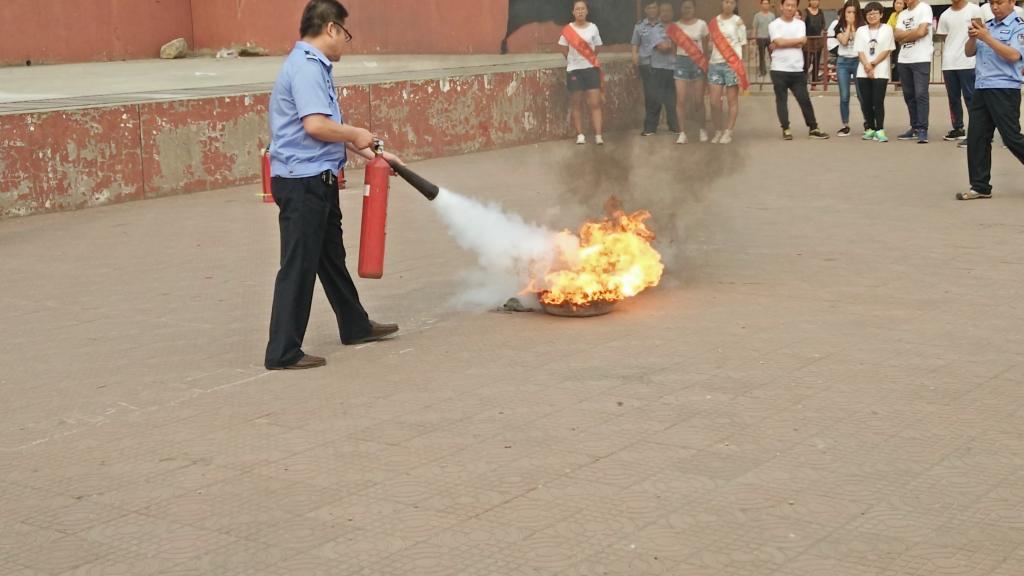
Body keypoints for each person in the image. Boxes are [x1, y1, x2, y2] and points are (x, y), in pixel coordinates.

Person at [265, 0, 400, 370]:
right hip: (303, 183)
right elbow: (316, 126)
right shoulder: (307, 68)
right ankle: (282, 351)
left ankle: (355, 325)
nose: (345, 42)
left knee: (330, 260)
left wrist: (375, 154)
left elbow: (327, 130)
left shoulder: (312, 65)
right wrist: (356, 132)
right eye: (345, 33)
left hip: (317, 179)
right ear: (331, 28)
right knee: (299, 265)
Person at [957, 0, 1024, 200]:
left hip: (1004, 88)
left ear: (1012, 2)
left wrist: (987, 38)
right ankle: (980, 186)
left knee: (1011, 137)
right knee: (977, 138)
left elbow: (1014, 55)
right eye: (992, 3)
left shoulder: (1018, 27)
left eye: (1000, 2)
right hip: (982, 86)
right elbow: (969, 52)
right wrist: (973, 38)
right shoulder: (987, 26)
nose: (995, 7)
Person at [769, 0, 830, 140]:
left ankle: (813, 128)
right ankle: (786, 128)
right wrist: (791, 42)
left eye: (793, 5)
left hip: (797, 69)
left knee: (804, 99)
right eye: (787, 5)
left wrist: (783, 42)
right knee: (781, 100)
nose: (790, 8)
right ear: (781, 6)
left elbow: (802, 42)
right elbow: (779, 42)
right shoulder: (774, 24)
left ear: (796, 7)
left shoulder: (800, 24)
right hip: (779, 69)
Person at [559, 0, 604, 145]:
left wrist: (589, 59)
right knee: (576, 103)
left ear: (587, 11)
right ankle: (580, 135)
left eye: (582, 9)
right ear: (573, 12)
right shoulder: (568, 29)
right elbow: (563, 48)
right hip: (574, 71)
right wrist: (572, 60)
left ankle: (598, 135)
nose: (580, 11)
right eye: (577, 9)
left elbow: (598, 47)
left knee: (595, 103)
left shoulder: (593, 27)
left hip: (591, 69)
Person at [937, 0, 982, 142]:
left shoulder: (974, 10)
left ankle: (977, 131)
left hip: (968, 62)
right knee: (953, 98)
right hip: (949, 63)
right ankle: (958, 128)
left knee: (971, 98)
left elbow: (981, 32)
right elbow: (944, 37)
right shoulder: (945, 15)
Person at [667, 0, 710, 144]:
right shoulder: (675, 26)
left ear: (694, 9)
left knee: (698, 100)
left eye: (689, 7)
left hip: (697, 63)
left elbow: (706, 45)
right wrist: (680, 58)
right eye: (684, 7)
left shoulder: (702, 24)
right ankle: (682, 133)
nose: (687, 10)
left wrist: (704, 63)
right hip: (681, 63)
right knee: (681, 99)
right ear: (681, 9)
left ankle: (702, 129)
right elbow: (673, 46)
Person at [707, 0, 748, 144]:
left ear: (735, 5)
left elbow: (743, 44)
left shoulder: (738, 22)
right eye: (726, 1)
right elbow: (710, 43)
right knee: (714, 102)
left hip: (732, 64)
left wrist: (742, 67)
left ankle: (728, 131)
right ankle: (718, 130)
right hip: (715, 64)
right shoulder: (714, 22)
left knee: (732, 100)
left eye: (731, 2)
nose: (728, 4)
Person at [893, 0, 934, 143]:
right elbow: (897, 36)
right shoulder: (902, 14)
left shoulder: (924, 8)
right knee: (909, 95)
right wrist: (914, 32)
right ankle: (914, 127)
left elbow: (922, 32)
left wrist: (905, 36)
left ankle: (923, 128)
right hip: (904, 59)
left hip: (921, 58)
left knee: (921, 94)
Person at [855, 1, 896, 142]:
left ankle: (880, 129)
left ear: (881, 14)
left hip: (880, 70)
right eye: (869, 14)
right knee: (866, 101)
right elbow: (860, 50)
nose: (871, 16)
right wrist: (867, 65)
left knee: (878, 101)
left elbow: (887, 50)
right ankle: (871, 128)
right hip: (863, 70)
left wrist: (873, 64)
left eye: (874, 13)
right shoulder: (861, 30)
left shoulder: (887, 29)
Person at [646, 2, 682, 136]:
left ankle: (674, 126)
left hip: (674, 67)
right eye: (663, 11)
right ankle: (650, 128)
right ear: (659, 13)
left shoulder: (678, 28)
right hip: (658, 67)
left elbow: (679, 46)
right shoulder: (654, 29)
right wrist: (673, 43)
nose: (665, 13)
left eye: (668, 11)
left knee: (672, 99)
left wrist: (670, 44)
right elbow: (663, 47)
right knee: (654, 99)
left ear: (672, 13)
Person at [834, 0, 866, 136]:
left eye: (854, 12)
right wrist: (848, 25)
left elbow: (859, 42)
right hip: (843, 62)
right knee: (844, 95)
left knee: (862, 94)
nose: (851, 14)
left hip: (858, 61)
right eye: (848, 12)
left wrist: (853, 26)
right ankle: (845, 124)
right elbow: (844, 41)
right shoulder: (838, 26)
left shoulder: (863, 27)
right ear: (844, 12)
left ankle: (868, 121)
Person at [632, 1, 663, 136]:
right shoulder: (639, 26)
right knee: (651, 96)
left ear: (658, 9)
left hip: (664, 64)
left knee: (668, 95)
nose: (652, 10)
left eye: (654, 7)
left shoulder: (664, 25)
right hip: (647, 64)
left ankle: (675, 125)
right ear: (645, 10)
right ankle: (650, 127)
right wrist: (634, 57)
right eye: (649, 8)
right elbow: (635, 44)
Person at [803, 0, 828, 84]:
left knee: (816, 63)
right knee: (806, 63)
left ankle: (814, 84)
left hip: (818, 41)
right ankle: (803, 82)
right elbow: (802, 25)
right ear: (809, 1)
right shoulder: (806, 12)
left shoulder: (821, 12)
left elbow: (823, 25)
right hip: (807, 41)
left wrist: (823, 34)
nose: (815, 2)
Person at [751, 0, 778, 78]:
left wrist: (775, 39)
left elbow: (775, 28)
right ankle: (762, 71)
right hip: (760, 38)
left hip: (770, 38)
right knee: (761, 56)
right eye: (764, 3)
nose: (765, 5)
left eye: (767, 3)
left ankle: (774, 70)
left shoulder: (772, 15)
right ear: (761, 5)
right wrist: (753, 38)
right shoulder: (757, 15)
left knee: (772, 55)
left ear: (769, 5)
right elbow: (754, 27)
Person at [887, 0, 906, 82]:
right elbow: (888, 28)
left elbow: (902, 29)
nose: (898, 5)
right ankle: (897, 81)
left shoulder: (906, 14)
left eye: (900, 3)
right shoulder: (893, 15)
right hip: (895, 41)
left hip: (903, 41)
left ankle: (902, 81)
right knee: (895, 62)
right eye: (896, 3)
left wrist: (895, 30)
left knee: (901, 61)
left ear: (904, 5)